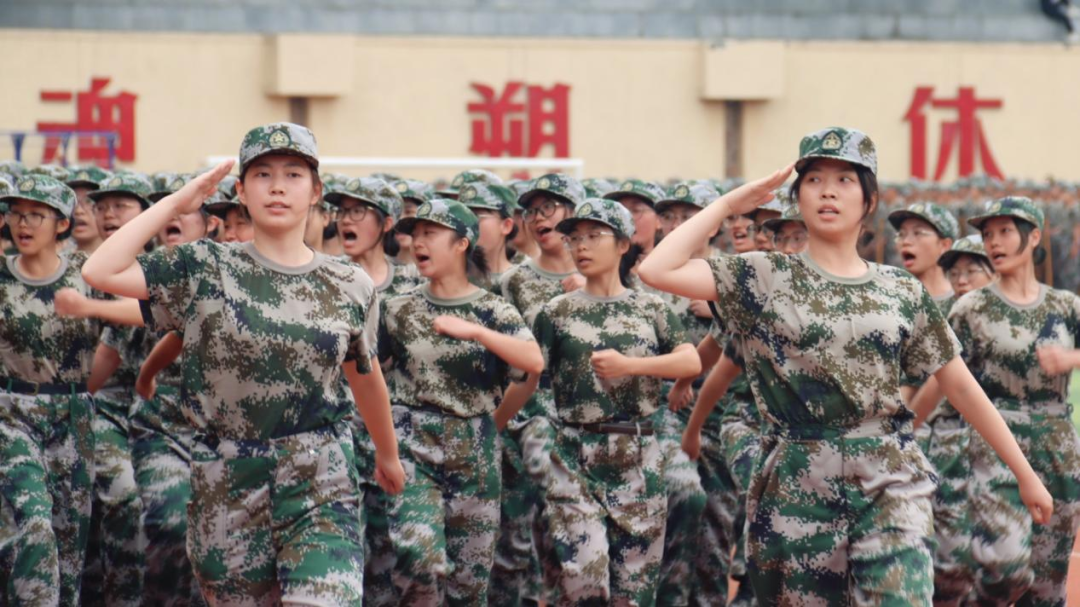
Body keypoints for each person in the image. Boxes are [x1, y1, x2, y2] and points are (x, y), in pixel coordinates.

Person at [639, 127, 1052, 604]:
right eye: (814, 179)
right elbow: (656, 270)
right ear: (797, 197)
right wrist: (731, 203)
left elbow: (959, 385)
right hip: (796, 483)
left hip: (888, 477)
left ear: (868, 200)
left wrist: (1025, 473)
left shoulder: (900, 290)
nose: (828, 191)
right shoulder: (763, 275)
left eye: (844, 180)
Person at [82, 122, 405, 604]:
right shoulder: (204, 267)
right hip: (226, 478)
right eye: (262, 175)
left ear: (316, 192)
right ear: (240, 190)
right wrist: (176, 204)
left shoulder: (349, 283)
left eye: (293, 174)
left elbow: (364, 374)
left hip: (318, 475)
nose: (277, 187)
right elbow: (99, 270)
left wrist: (387, 453)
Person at [527, 198, 700, 605]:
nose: (581, 246)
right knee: (584, 581)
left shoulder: (650, 307)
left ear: (623, 244)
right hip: (575, 453)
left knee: (633, 593)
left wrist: (631, 366)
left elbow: (690, 361)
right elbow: (532, 379)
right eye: (574, 238)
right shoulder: (555, 312)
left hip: (638, 455)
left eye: (593, 236)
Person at [913, 197, 1080, 605]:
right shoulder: (972, 308)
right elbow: (943, 377)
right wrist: (905, 428)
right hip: (996, 443)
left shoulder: (1065, 306)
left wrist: (1071, 358)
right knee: (1005, 568)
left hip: (1057, 442)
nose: (994, 242)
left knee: (1047, 583)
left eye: (1005, 231)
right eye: (988, 234)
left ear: (1034, 236)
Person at [381, 198, 542, 605]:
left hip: (476, 451)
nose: (418, 242)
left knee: (469, 584)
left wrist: (477, 333)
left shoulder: (492, 310)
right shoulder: (397, 309)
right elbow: (368, 375)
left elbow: (532, 364)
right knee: (419, 559)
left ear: (461, 244)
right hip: (413, 445)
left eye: (430, 233)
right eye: (415, 234)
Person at [0, 175, 99, 606]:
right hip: (11, 413)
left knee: (68, 539)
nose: (23, 224)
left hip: (73, 415)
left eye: (36, 215)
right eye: (16, 214)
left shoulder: (87, 274)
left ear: (61, 224)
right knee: (34, 524)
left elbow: (125, 325)